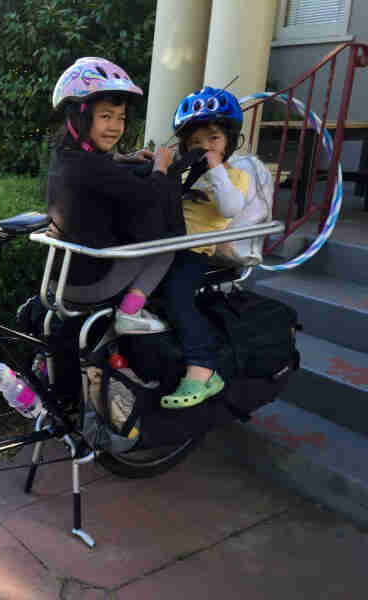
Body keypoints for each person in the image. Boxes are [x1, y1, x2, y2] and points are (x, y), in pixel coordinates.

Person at [47, 57, 186, 336]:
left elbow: (100, 172)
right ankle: (130, 312)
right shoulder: (94, 167)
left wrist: (124, 158)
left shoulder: (64, 156)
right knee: (169, 242)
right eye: (105, 116)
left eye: (120, 118)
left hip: (59, 280)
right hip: (93, 284)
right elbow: (153, 197)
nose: (114, 126)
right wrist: (161, 165)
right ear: (80, 117)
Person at [158, 86, 249, 409]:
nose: (205, 147)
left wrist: (216, 170)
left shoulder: (233, 176)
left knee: (177, 296)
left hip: (195, 251)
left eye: (213, 139)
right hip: (162, 244)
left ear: (229, 140)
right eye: (196, 142)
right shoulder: (182, 175)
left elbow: (229, 208)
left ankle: (203, 369)